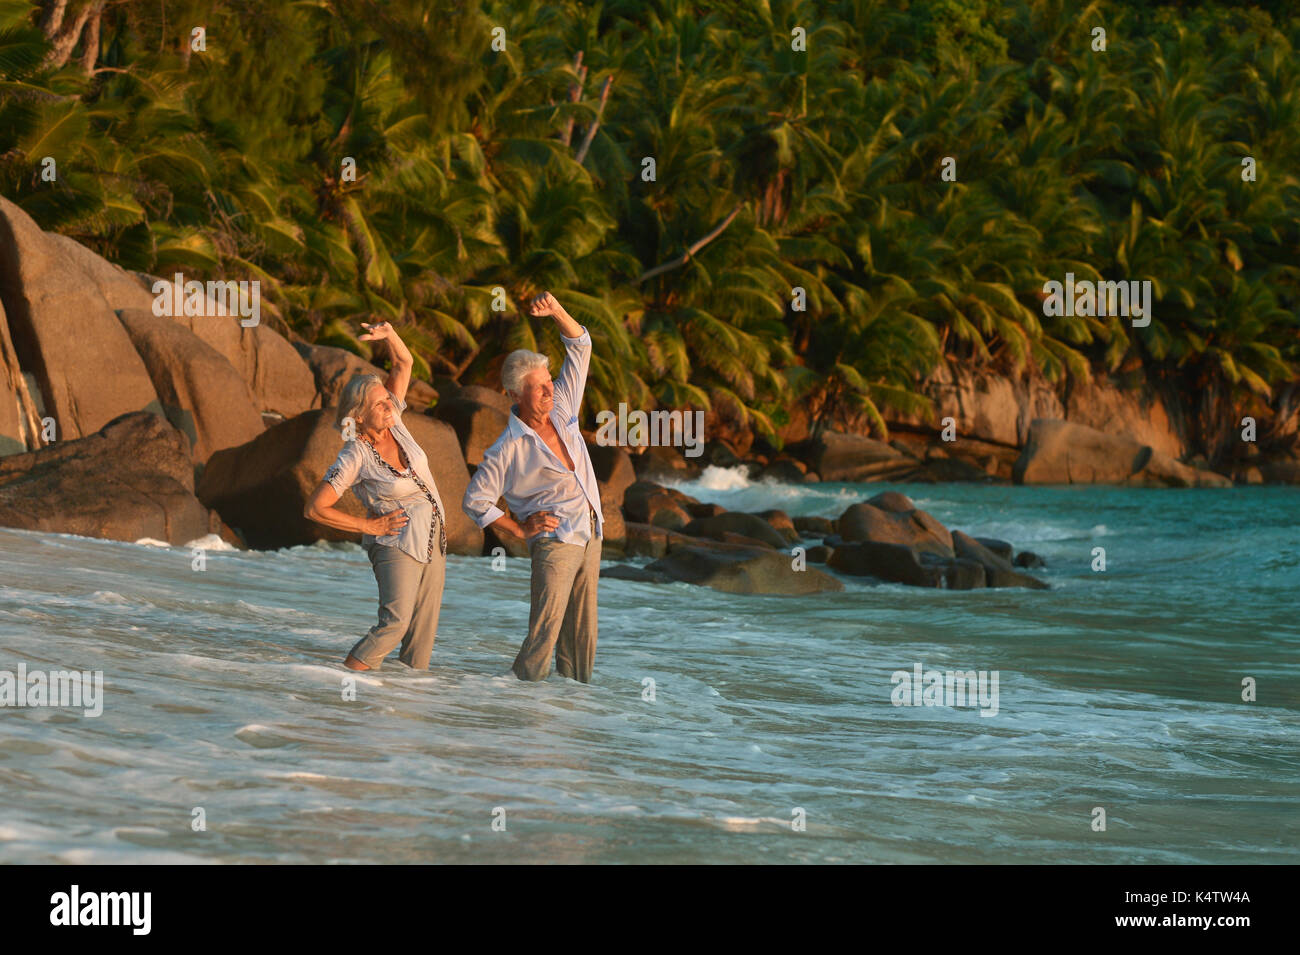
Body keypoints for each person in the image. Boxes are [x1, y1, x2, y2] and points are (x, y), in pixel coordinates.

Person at [463, 292, 604, 682]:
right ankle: (517, 706)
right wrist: (519, 529)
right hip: (555, 544)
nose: (549, 390)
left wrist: (557, 311)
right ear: (514, 395)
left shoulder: (563, 406)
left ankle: (570, 711)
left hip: (591, 532)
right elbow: (475, 500)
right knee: (545, 633)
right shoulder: (506, 448)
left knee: (582, 636)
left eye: (548, 382)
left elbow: (581, 345)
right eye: (538, 387)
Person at [303, 322, 448, 671]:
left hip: (433, 538)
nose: (389, 405)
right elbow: (314, 508)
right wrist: (369, 525)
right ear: (359, 415)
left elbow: (404, 364)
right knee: (394, 625)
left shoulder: (394, 420)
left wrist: (390, 335)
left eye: (387, 399)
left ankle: (404, 713)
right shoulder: (355, 455)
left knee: (421, 636)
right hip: (396, 544)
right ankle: (344, 688)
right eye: (379, 403)